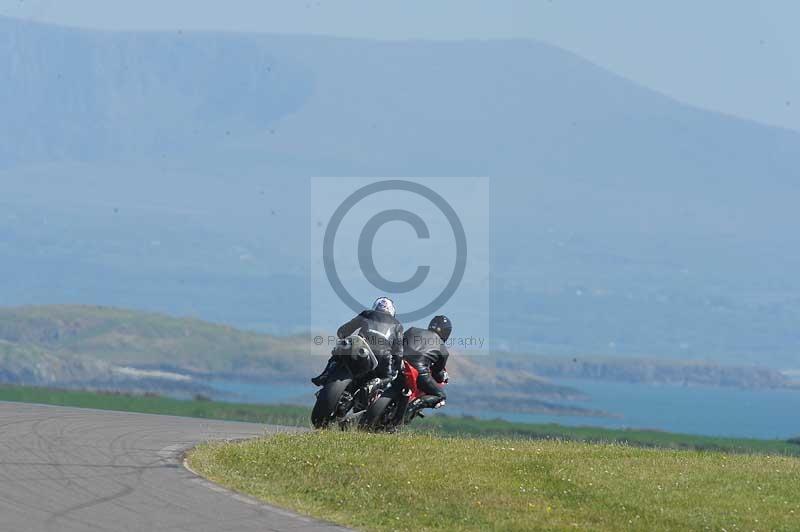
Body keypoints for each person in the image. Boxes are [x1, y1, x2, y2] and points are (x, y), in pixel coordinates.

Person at [311, 297, 404, 389]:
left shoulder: (367, 313)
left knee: (338, 351)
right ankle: (377, 382)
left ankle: (325, 374)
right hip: (382, 356)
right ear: (392, 311)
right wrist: (398, 364)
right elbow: (399, 351)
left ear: (375, 307)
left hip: (360, 347)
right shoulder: (397, 324)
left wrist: (343, 336)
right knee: (389, 376)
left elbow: (343, 331)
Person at [402, 315, 451, 421]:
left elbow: (397, 343)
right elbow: (437, 372)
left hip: (399, 364)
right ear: (446, 332)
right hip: (419, 372)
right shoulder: (443, 349)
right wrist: (442, 377)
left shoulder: (412, 330)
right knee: (440, 396)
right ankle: (415, 404)